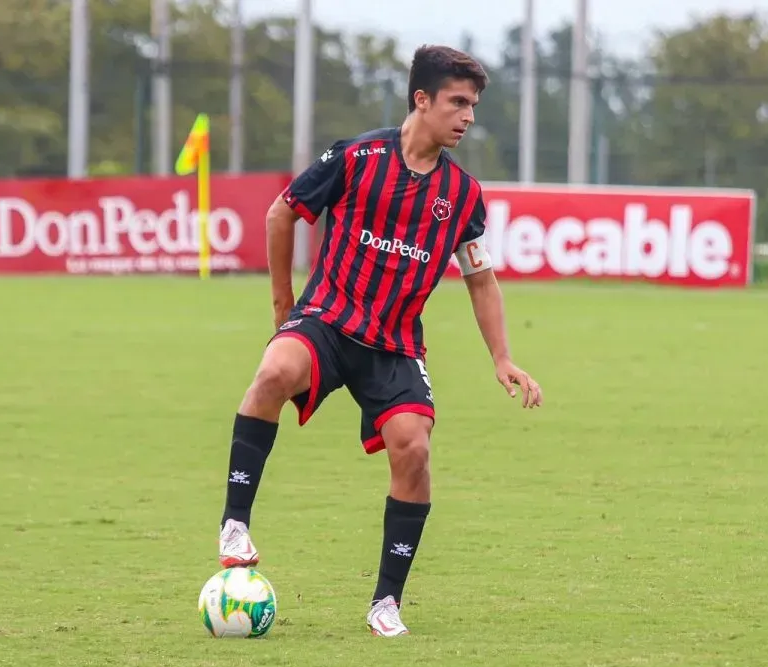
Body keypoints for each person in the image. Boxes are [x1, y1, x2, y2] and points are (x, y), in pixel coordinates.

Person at [215, 44, 543, 637]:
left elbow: (481, 277)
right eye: (458, 103)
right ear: (422, 99)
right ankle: (234, 525)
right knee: (271, 374)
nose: (468, 117)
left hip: (394, 346)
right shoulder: (358, 156)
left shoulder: (463, 196)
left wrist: (503, 358)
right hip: (327, 319)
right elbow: (280, 215)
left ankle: (385, 603)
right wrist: (284, 310)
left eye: (473, 106)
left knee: (413, 449)